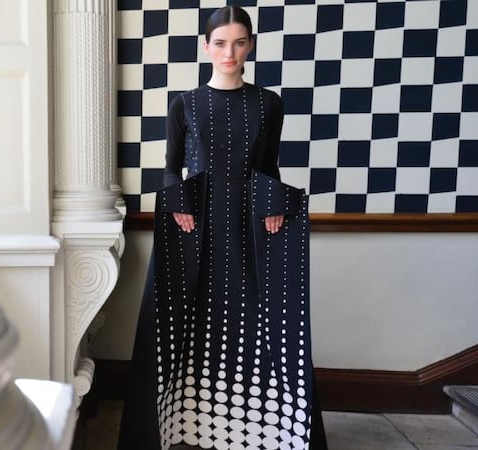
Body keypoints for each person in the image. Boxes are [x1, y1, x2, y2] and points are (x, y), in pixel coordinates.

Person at [117, 5, 328, 450]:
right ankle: (187, 422)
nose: (229, 52)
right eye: (220, 43)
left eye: (238, 42)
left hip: (251, 229)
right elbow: (172, 168)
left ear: (250, 44)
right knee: (186, 324)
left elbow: (269, 164)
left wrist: (274, 203)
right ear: (205, 47)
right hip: (195, 228)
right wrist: (177, 205)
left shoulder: (269, 102)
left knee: (257, 323)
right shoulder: (185, 103)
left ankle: (260, 427)